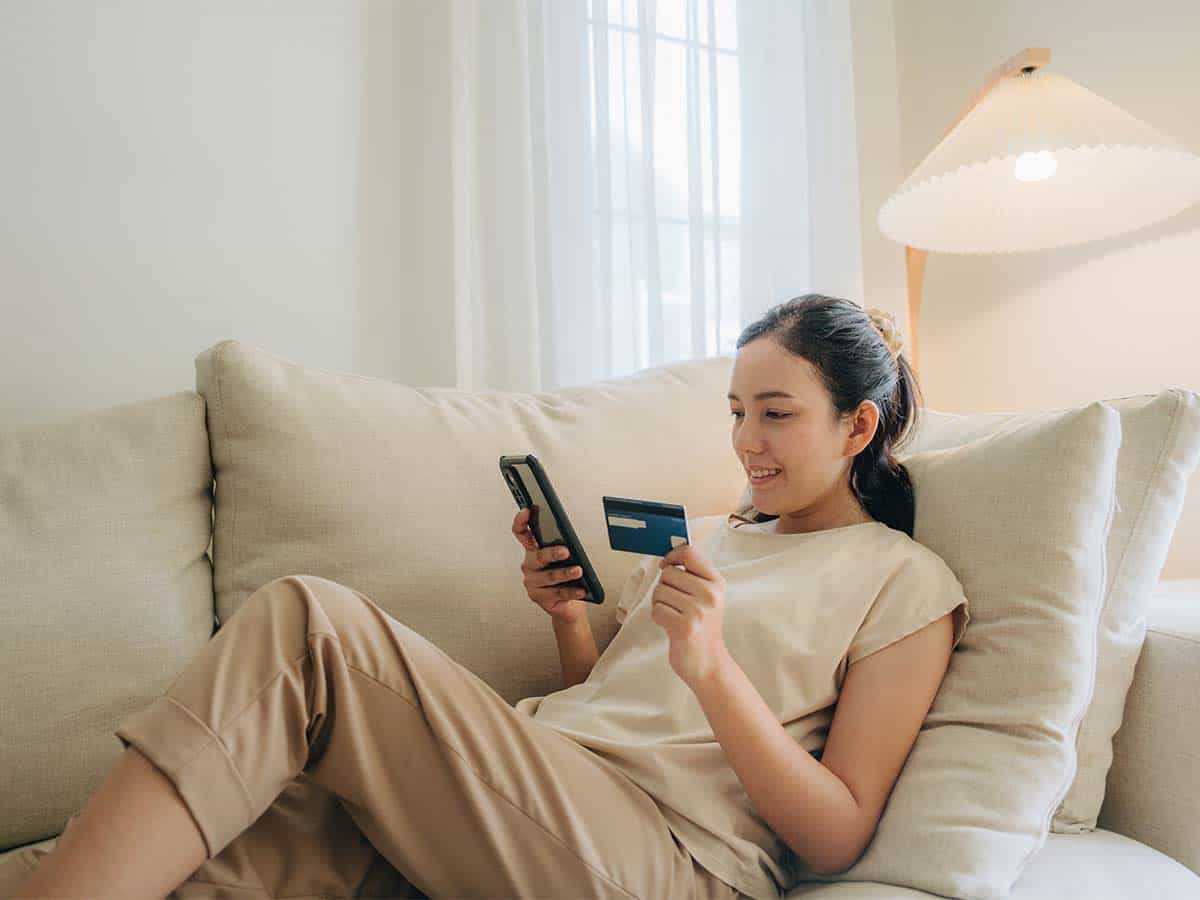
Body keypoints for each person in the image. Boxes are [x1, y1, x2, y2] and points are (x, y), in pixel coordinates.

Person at [5, 293, 968, 900]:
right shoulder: (715, 536)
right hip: (543, 799)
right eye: (735, 412)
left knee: (310, 626)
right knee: (221, 843)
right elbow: (614, 708)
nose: (747, 441)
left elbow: (839, 834)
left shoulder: (902, 581)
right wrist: (567, 623)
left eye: (777, 415)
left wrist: (712, 669)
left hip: (669, 862)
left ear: (858, 427)